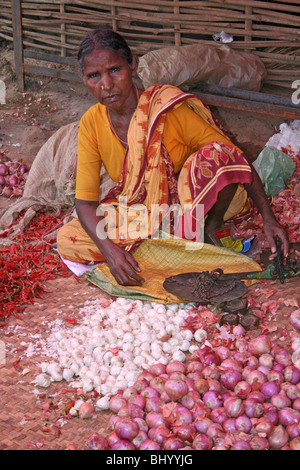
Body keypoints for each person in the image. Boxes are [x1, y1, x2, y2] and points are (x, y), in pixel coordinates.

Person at [57, 28, 289, 286]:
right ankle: (172, 248)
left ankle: (205, 232)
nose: (106, 85)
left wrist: (269, 217)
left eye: (114, 70)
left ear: (133, 64)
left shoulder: (166, 108)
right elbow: (86, 203)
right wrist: (110, 251)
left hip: (200, 204)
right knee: (69, 237)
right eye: (93, 76)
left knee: (212, 156)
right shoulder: (91, 123)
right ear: (83, 78)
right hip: (143, 213)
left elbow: (232, 157)